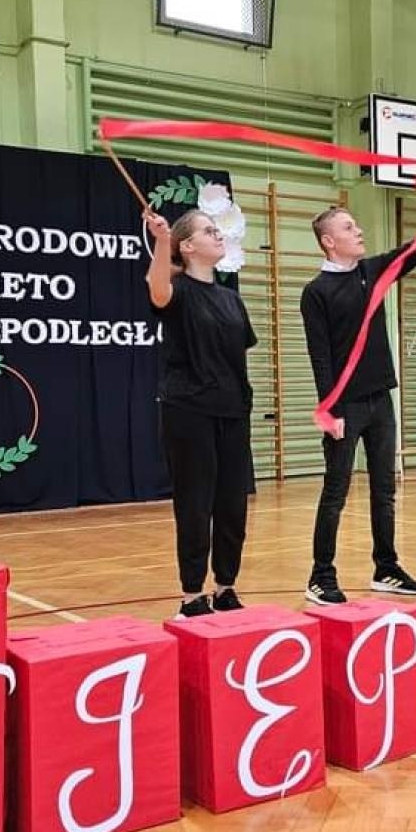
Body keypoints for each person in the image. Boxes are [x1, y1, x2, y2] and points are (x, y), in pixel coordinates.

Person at [301, 185, 416, 605]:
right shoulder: (316, 292)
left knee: (384, 490)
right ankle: (320, 575)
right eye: (349, 227)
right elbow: (320, 357)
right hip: (345, 407)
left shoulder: (373, 272)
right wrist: (328, 411)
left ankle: (386, 567)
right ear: (329, 241)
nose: (360, 230)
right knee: (336, 491)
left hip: (380, 401)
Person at [145, 209, 257, 620]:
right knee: (195, 504)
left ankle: (226, 587)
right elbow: (156, 289)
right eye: (209, 231)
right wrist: (161, 241)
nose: (218, 234)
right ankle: (193, 593)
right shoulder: (176, 290)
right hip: (188, 411)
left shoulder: (230, 298)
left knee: (232, 505)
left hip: (232, 411)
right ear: (188, 246)